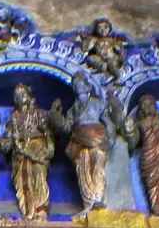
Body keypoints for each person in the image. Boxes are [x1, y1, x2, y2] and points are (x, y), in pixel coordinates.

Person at [50, 70, 117, 216]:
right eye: (75, 85)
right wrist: (56, 116)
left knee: (97, 166)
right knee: (83, 170)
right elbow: (66, 127)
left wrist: (110, 139)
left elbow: (109, 123)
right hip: (80, 141)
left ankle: (98, 199)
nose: (78, 86)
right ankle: (89, 203)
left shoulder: (98, 104)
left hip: (97, 138)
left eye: (80, 83)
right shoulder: (73, 109)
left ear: (88, 86)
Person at [6, 83, 55, 222]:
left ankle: (40, 210)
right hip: (20, 151)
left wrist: (49, 149)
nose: (19, 97)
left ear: (29, 96)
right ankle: (28, 211)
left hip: (37, 147)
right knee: (23, 179)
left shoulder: (38, 113)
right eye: (16, 95)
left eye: (22, 94)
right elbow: (8, 139)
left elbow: (48, 132)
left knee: (38, 175)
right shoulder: (14, 117)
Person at [125, 95, 159, 217]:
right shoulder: (140, 124)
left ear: (155, 108)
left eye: (150, 104)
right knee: (155, 186)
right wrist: (129, 131)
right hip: (150, 157)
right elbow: (133, 142)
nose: (147, 107)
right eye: (144, 105)